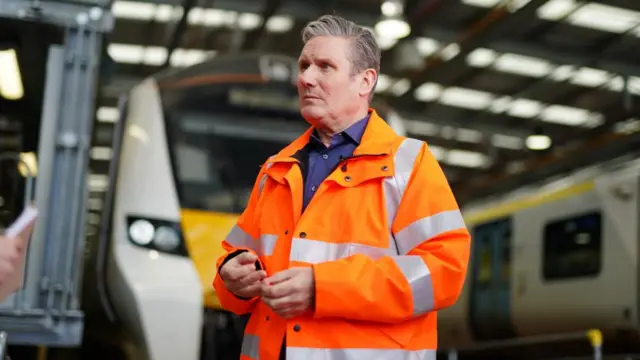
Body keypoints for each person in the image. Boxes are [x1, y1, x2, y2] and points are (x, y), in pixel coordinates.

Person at [213, 14, 471, 360]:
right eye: (304, 65)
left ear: (365, 81)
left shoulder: (409, 164)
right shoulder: (276, 170)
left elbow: (443, 271)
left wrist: (322, 288)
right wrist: (231, 277)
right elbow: (233, 259)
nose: (305, 78)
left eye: (324, 67)